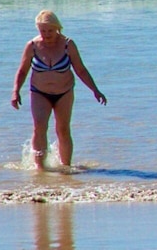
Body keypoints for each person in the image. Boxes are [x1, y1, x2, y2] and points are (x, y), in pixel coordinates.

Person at [11, 11, 107, 170]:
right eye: (43, 31)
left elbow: (81, 70)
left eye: (50, 30)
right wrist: (15, 91)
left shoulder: (68, 44)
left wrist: (95, 90)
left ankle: (65, 167)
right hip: (39, 92)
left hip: (64, 92)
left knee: (62, 128)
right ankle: (40, 168)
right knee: (39, 127)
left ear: (57, 28)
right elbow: (22, 71)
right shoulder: (32, 46)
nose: (46, 34)